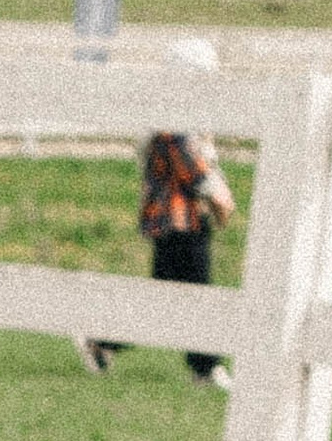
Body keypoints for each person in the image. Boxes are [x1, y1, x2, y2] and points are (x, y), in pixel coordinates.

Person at [80, 46, 236, 387]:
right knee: (198, 296)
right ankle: (205, 369)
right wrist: (218, 195)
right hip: (177, 222)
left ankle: (102, 342)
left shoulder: (180, 116)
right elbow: (190, 167)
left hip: (183, 221)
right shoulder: (172, 122)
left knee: (164, 299)